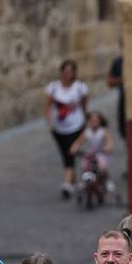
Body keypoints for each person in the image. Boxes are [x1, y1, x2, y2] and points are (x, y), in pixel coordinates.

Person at [45, 59, 89, 198]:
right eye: (65, 70)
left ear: (74, 73)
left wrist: (85, 121)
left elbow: (84, 105)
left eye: (70, 71)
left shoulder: (80, 87)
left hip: (75, 126)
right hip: (58, 128)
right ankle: (72, 179)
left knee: (70, 153)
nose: (67, 73)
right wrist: (49, 121)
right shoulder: (53, 87)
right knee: (65, 154)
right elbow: (48, 106)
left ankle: (67, 185)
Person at [107, 55, 126, 139]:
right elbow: (110, 82)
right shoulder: (118, 62)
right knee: (124, 131)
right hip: (124, 97)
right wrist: (123, 80)